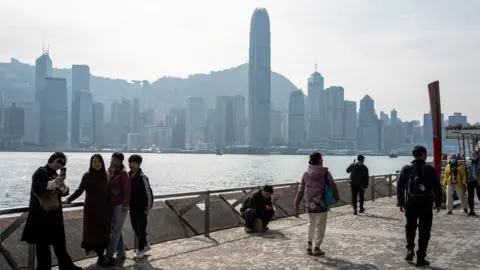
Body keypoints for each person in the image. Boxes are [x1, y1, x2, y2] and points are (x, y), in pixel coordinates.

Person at [21, 152, 82, 270]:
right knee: (43, 247)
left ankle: (66, 266)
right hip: (41, 216)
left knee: (59, 244)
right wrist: (55, 182)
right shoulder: (40, 172)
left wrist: (61, 183)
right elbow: (38, 187)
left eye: (63, 163)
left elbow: (64, 192)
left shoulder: (55, 175)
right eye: (59, 161)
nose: (60, 165)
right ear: (51, 159)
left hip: (54, 215)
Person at [397, 145, 442, 267]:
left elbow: (400, 187)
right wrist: (438, 203)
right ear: (423, 155)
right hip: (426, 204)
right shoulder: (429, 169)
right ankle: (421, 257)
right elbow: (437, 187)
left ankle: (410, 249)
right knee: (424, 230)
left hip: (410, 203)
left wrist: (400, 202)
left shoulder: (406, 169)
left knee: (410, 227)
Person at [65, 154, 111, 266]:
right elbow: (80, 190)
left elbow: (109, 192)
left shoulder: (106, 175)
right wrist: (69, 199)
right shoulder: (87, 176)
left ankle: (102, 256)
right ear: (91, 164)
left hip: (104, 210)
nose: (96, 164)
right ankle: (101, 256)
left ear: (102, 163)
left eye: (98, 161)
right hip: (91, 210)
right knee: (93, 233)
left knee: (102, 233)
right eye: (94, 162)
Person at [294, 152, 340, 256]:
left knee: (311, 223)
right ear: (319, 160)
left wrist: (296, 202)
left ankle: (309, 246)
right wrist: (337, 197)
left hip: (309, 204)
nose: (323, 161)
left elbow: (300, 190)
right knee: (321, 226)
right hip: (321, 204)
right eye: (322, 159)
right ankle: (317, 247)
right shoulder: (326, 173)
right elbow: (333, 186)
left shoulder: (306, 174)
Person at [105, 152, 131, 265]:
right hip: (111, 205)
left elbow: (127, 190)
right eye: (113, 159)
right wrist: (109, 174)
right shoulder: (110, 172)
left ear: (121, 162)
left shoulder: (123, 173)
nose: (114, 162)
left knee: (115, 231)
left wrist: (126, 205)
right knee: (116, 230)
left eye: (117, 160)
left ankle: (109, 255)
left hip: (120, 205)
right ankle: (122, 253)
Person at [128, 154, 153, 259]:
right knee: (135, 228)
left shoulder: (143, 177)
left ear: (139, 164)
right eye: (130, 162)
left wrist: (148, 208)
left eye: (133, 163)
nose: (131, 165)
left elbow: (149, 194)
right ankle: (145, 244)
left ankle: (141, 250)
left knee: (141, 228)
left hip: (141, 208)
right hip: (132, 207)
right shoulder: (128, 175)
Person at [466, 151, 480, 216]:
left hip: (478, 181)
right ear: (470, 155)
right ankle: (471, 210)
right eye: (472, 154)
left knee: (479, 195)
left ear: (477, 155)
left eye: (475, 154)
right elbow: (465, 171)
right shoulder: (467, 162)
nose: (473, 155)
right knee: (470, 196)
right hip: (470, 181)